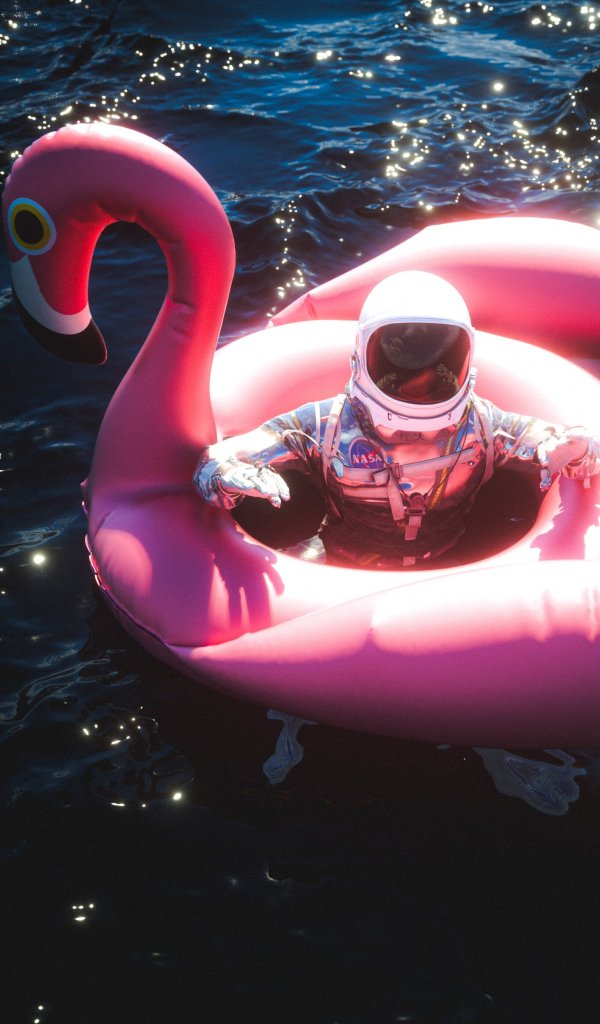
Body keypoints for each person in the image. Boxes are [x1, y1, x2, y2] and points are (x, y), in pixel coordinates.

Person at [193, 271, 600, 568]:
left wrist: (576, 449)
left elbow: (560, 444)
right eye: (400, 365)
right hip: (340, 567)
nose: (418, 381)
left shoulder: (482, 423)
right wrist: (224, 475)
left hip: (450, 569)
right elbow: (219, 458)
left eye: (437, 365)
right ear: (360, 357)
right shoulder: (325, 425)